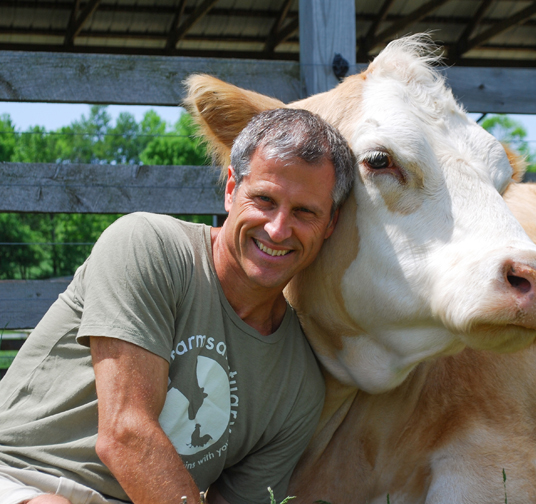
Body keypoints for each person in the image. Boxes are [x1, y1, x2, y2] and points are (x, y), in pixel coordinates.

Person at [0, 108, 356, 504]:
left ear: (331, 224)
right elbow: (125, 434)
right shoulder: (147, 247)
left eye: (305, 211)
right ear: (231, 189)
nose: (277, 228)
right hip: (20, 475)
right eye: (264, 200)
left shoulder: (299, 388)